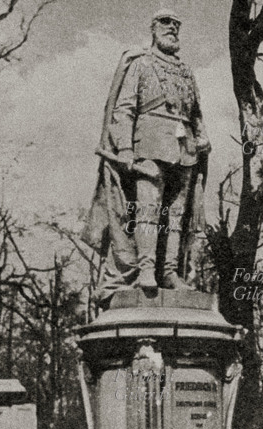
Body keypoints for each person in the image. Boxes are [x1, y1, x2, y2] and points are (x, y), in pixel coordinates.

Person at [83, 9, 210, 299]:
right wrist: (125, 148)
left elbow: (196, 113)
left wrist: (202, 136)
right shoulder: (140, 64)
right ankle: (146, 269)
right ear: (153, 28)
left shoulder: (186, 71)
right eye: (166, 23)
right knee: (148, 212)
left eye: (177, 25)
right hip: (148, 147)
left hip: (185, 151)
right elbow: (124, 109)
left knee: (175, 217)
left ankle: (169, 271)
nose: (172, 29)